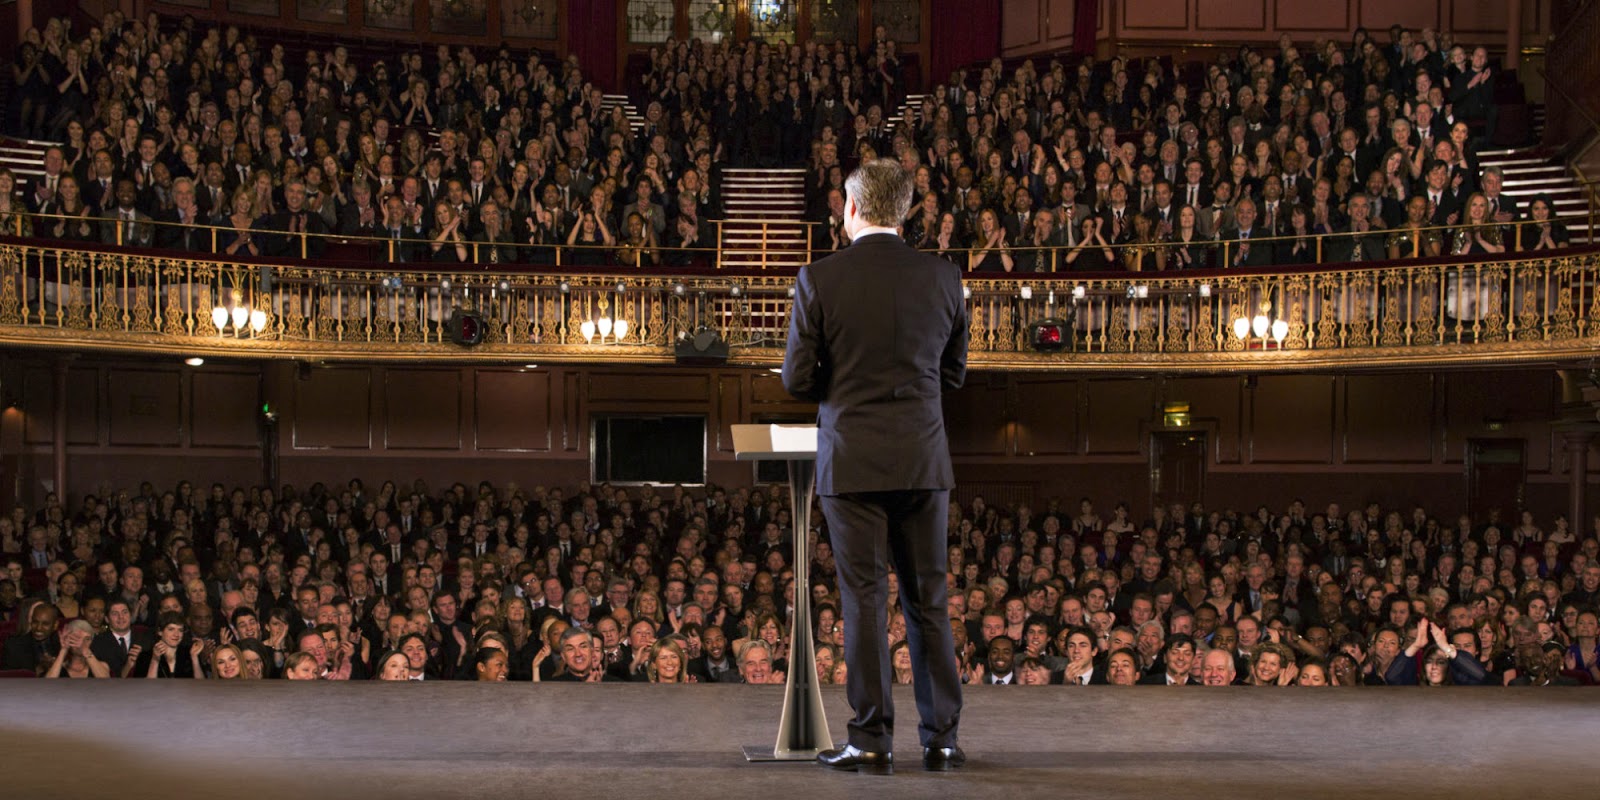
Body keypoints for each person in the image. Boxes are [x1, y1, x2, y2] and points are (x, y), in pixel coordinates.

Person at [783, 158, 967, 775]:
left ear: (850, 208)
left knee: (863, 601)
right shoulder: (945, 278)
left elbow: (797, 380)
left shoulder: (819, 278)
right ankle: (941, 740)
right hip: (922, 457)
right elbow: (953, 374)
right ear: (908, 211)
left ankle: (870, 740)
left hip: (853, 462)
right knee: (929, 604)